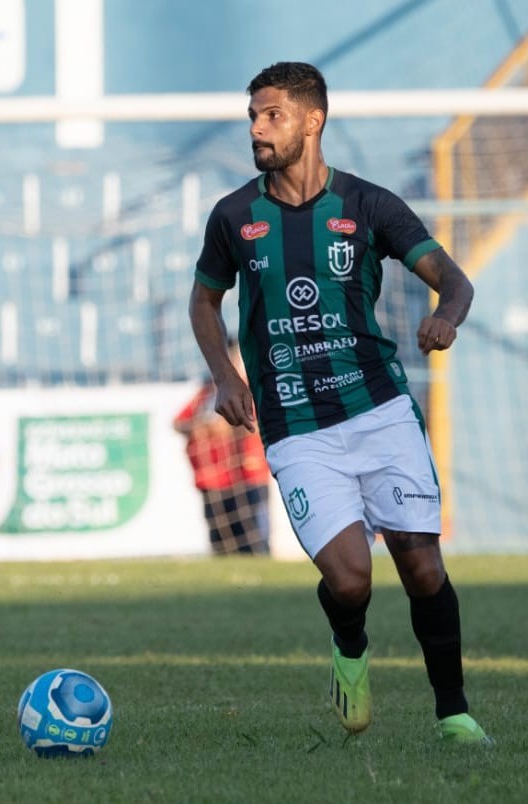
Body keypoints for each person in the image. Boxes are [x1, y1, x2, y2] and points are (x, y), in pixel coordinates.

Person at [189, 61, 490, 743]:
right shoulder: (235, 216)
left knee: (421, 561)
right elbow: (204, 300)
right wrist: (226, 377)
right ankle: (349, 649)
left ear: (312, 120)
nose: (258, 129)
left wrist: (448, 316)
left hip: (380, 409)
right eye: (253, 117)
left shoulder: (368, 206)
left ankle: (454, 712)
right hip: (296, 427)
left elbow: (455, 280)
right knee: (352, 579)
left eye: (272, 115)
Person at [173, 339, 270, 555]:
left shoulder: (254, 387)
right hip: (213, 478)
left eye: (234, 357)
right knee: (220, 543)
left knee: (254, 542)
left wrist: (227, 427)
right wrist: (199, 427)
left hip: (247, 475)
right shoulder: (207, 392)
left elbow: (262, 423)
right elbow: (178, 422)